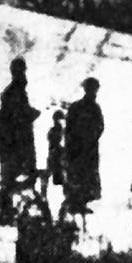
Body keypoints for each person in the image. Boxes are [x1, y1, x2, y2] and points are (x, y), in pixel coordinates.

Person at [0, 58, 40, 220]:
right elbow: (16, 117)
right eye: (21, 71)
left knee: (14, 175)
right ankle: (7, 210)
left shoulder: (15, 92)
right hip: (16, 141)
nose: (23, 75)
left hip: (15, 141)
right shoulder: (14, 93)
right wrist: (30, 115)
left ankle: (10, 208)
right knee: (15, 175)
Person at [63, 78, 104, 217]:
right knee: (79, 175)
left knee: (84, 176)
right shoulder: (80, 107)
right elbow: (69, 129)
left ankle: (80, 204)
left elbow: (100, 127)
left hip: (86, 149)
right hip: (79, 149)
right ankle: (75, 204)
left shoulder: (91, 108)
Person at [46, 110, 65, 186]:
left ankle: (58, 179)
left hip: (56, 149)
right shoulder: (55, 129)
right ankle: (57, 179)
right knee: (57, 164)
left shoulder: (57, 129)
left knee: (58, 165)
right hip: (55, 150)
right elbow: (53, 140)